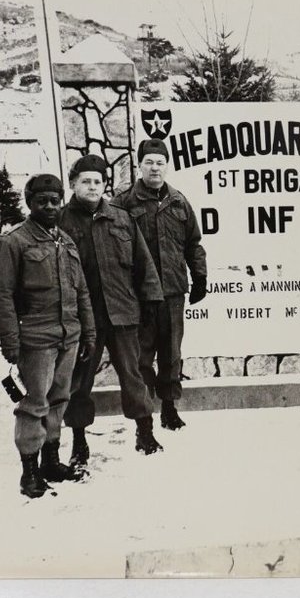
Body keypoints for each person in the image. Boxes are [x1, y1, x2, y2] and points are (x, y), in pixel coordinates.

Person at [0, 173, 96, 499]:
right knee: (34, 404)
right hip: (36, 340)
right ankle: (29, 471)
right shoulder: (13, 243)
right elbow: (0, 295)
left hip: (68, 337)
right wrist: (10, 339)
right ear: (29, 203)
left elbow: (82, 292)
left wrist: (88, 332)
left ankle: (51, 461)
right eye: (41, 201)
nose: (49, 206)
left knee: (59, 400)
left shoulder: (65, 241)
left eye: (55, 200)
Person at [58, 154, 166, 461]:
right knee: (80, 382)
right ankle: (80, 442)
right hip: (83, 320)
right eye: (86, 182)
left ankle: (145, 432)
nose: (93, 187)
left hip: (123, 313)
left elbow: (143, 265)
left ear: (105, 185)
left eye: (98, 181)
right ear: (73, 184)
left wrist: (151, 302)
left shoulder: (121, 218)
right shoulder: (61, 223)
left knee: (134, 375)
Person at [113, 139, 207, 431]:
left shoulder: (179, 201)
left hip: (173, 293)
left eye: (160, 162)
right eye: (149, 162)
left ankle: (169, 408)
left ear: (167, 165)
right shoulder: (124, 203)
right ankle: (144, 418)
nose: (155, 167)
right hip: (139, 296)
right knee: (140, 359)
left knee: (171, 355)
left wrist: (200, 276)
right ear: (139, 166)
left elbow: (193, 243)